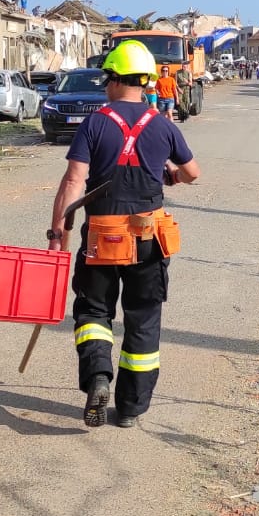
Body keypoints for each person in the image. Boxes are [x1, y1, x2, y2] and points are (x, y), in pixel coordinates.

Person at [49, 40, 199, 429]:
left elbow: (74, 181)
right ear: (147, 81)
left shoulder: (96, 123)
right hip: (149, 237)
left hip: (102, 235)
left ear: (114, 79)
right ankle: (130, 408)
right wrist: (172, 174)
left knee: (94, 311)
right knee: (143, 318)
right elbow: (192, 173)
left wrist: (58, 231)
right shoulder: (162, 124)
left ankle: (99, 375)